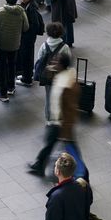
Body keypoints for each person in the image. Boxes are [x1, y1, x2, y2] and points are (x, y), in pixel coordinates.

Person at [27, 31, 75, 177]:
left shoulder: (64, 81)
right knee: (52, 144)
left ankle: (40, 166)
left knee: (52, 144)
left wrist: (59, 120)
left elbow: (66, 103)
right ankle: (39, 165)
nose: (53, 63)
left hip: (59, 121)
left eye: (57, 62)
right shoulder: (65, 75)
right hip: (58, 120)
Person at [0, 0, 29, 101]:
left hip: (1, 43)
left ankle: (3, 93)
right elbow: (26, 27)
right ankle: (11, 87)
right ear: (16, 0)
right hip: (15, 43)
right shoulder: (21, 12)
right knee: (12, 65)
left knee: (1, 66)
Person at [16, 0, 45, 89]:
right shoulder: (29, 6)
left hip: (28, 37)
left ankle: (26, 79)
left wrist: (26, 31)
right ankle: (26, 74)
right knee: (28, 55)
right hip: (29, 37)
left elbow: (34, 25)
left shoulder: (30, 9)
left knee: (26, 56)